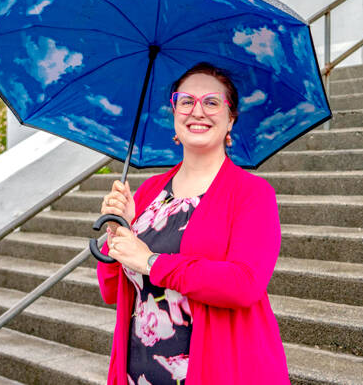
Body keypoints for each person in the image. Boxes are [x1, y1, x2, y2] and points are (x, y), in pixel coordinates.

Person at [96, 62, 290, 385]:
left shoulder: (253, 194)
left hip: (221, 370)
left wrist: (151, 261)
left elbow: (244, 284)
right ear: (174, 115)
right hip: (140, 370)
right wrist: (119, 231)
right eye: (186, 101)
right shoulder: (148, 193)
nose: (197, 111)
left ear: (231, 120)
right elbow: (112, 289)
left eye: (212, 102)